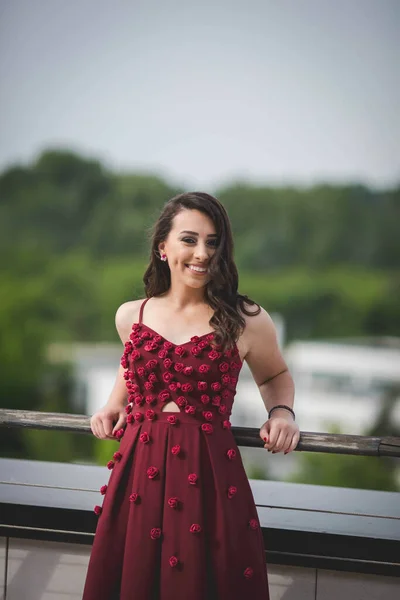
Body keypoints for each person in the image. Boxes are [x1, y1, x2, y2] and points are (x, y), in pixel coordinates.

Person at [83, 192, 300, 600]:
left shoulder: (246, 319)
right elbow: (130, 369)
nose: (202, 253)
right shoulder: (132, 315)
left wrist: (282, 413)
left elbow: (276, 374)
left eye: (213, 242)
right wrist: (113, 405)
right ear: (162, 247)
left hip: (210, 482)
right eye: (189, 239)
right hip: (137, 478)